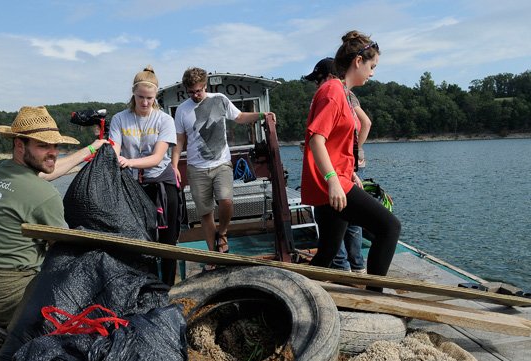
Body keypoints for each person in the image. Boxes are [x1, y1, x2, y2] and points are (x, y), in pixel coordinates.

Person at [0, 105, 107, 361]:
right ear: (20, 145)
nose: (52, 152)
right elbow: (65, 251)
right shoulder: (45, 195)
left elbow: (44, 173)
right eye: (43, 146)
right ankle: (12, 339)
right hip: (6, 294)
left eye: (55, 146)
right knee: (79, 284)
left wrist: (89, 150)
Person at [300, 31, 401, 291]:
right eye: (372, 66)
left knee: (327, 253)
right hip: (331, 186)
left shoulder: (341, 92)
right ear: (358, 61)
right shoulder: (333, 91)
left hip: (340, 180)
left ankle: (294, 290)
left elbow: (336, 143)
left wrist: (349, 173)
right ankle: (374, 296)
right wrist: (333, 180)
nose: (373, 73)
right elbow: (316, 140)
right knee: (389, 227)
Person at [171, 67, 275, 266]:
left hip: (221, 164)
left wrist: (262, 115)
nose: (195, 95)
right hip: (196, 168)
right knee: (205, 213)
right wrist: (175, 165)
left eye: (198, 91)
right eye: (191, 92)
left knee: (226, 200)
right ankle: (214, 255)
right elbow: (179, 140)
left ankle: (224, 231)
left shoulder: (219, 99)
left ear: (205, 86)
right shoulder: (182, 110)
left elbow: (240, 117)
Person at [109, 65, 181, 287]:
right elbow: (114, 150)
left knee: (168, 240)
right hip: (132, 186)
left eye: (150, 98)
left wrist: (128, 161)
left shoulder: (164, 120)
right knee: (139, 238)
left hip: (160, 181)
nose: (145, 102)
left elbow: (158, 157)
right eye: (140, 97)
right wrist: (115, 157)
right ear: (133, 94)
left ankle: (167, 285)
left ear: (156, 96)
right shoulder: (120, 119)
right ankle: (143, 285)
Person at [304, 57, 372, 273]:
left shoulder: (334, 93)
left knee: (338, 227)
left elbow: (317, 139)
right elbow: (365, 123)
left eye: (319, 79)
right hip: (343, 169)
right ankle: (357, 267)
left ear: (331, 76)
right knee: (347, 227)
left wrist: (350, 156)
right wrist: (355, 153)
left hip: (335, 171)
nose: (317, 84)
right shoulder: (346, 95)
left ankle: (343, 269)